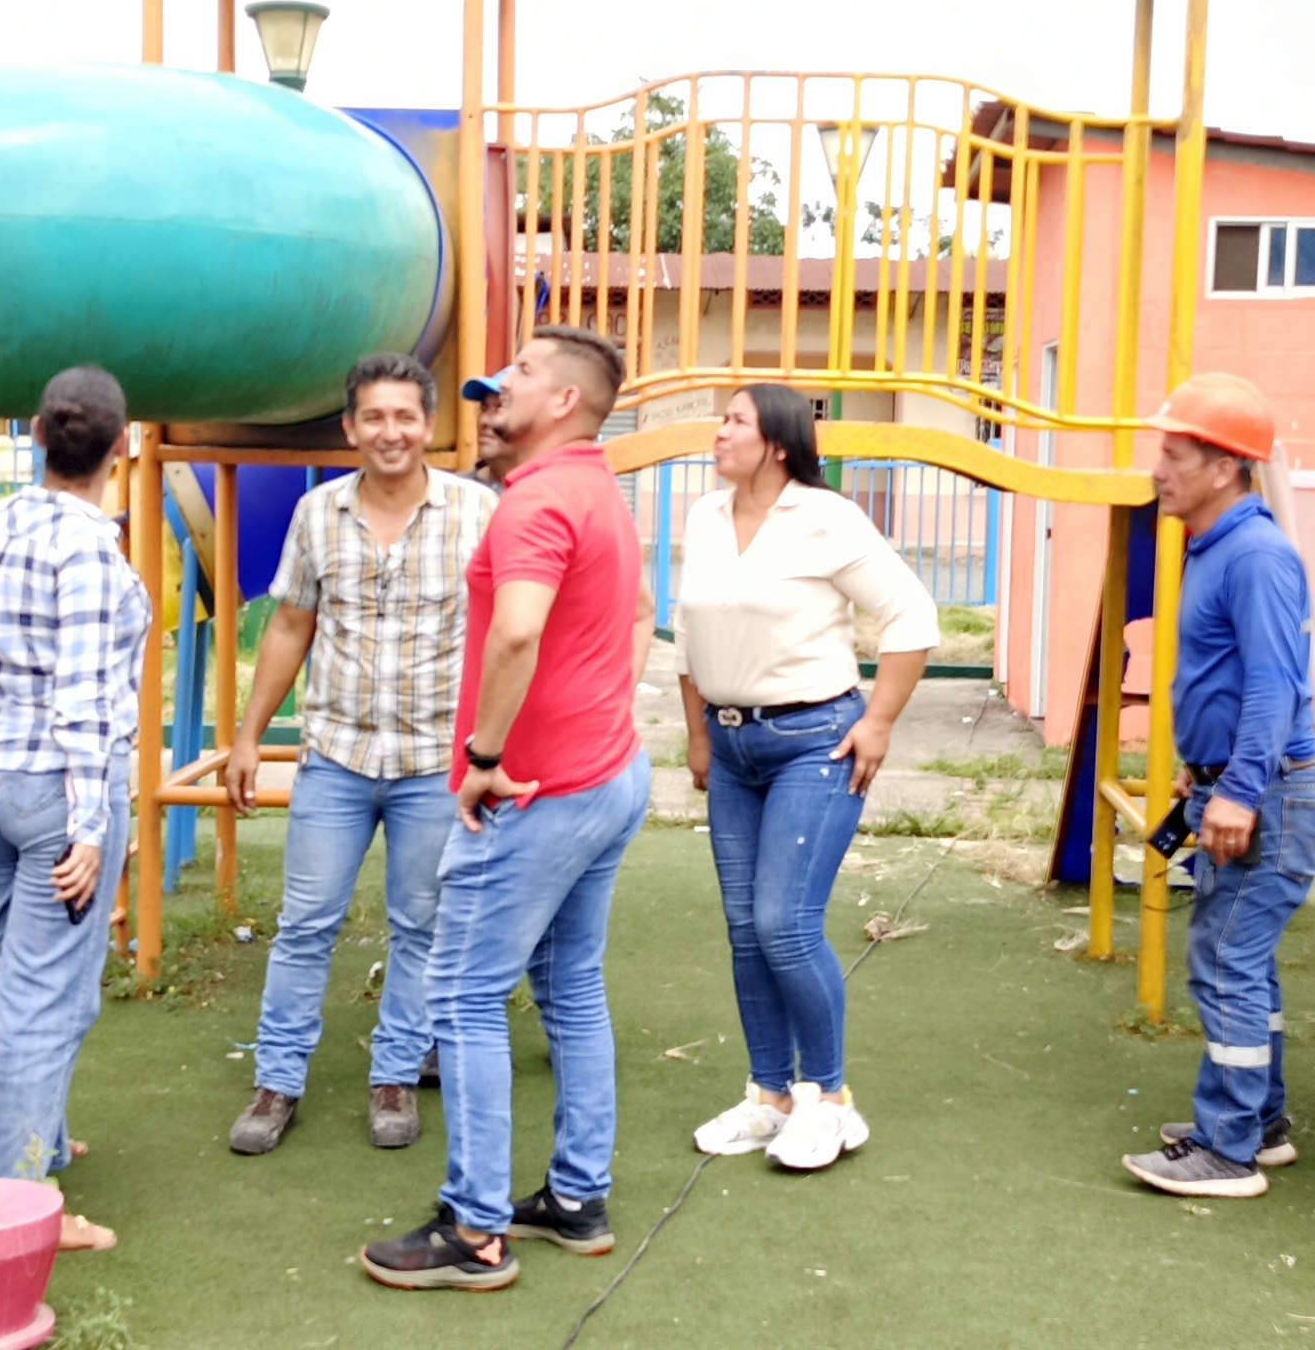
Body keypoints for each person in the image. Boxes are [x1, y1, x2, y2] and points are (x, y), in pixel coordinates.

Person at [358, 325, 653, 1291]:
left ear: (564, 401)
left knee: (463, 996)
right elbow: (634, 618)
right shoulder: (598, 487)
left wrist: (484, 757)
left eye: (517, 376)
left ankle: (475, 1229)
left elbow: (517, 632)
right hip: (607, 776)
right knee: (571, 987)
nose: (493, 395)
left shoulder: (533, 503)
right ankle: (576, 1199)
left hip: (540, 792)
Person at [224, 354, 495, 1155]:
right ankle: (277, 1083)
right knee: (305, 924)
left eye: (405, 416)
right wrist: (248, 736)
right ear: (349, 427)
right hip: (337, 756)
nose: (390, 431)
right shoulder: (318, 513)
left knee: (421, 925)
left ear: (429, 425)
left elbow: (510, 630)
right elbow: (289, 626)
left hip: (433, 761)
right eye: (373, 416)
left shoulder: (477, 512)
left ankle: (396, 1075)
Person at [674, 383, 939, 1171]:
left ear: (779, 444)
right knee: (745, 930)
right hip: (731, 747)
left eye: (736, 421)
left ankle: (830, 1100)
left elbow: (912, 617)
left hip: (813, 743)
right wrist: (698, 737)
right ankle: (771, 1097)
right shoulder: (705, 516)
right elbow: (689, 635)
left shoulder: (826, 518)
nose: (720, 432)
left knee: (784, 925)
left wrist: (878, 722)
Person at [0, 366, 150, 1250]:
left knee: (27, 976)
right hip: (61, 794)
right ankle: (4, 1199)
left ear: (34, 433)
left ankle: (43, 1137)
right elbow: (82, 701)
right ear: (121, 446)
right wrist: (92, 828)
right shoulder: (91, 551)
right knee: (43, 996)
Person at [1119, 372, 1315, 1201]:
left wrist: (1239, 790)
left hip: (1270, 794)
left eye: (1174, 455)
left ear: (1223, 468)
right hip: (1239, 784)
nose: (1158, 469)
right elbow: (1227, 677)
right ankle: (1260, 1125)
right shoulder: (1217, 548)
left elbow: (1276, 685)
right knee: (1243, 960)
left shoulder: (1256, 556)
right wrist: (1202, 767)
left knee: (1224, 962)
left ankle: (1227, 1148)